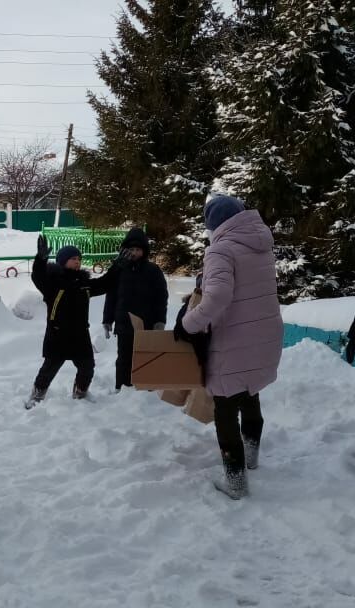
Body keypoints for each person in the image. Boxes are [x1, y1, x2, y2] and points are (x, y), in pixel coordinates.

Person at [179, 195, 283, 499]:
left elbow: (219, 297)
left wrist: (189, 324)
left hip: (235, 337)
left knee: (225, 407)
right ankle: (250, 456)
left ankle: (235, 481)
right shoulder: (261, 245)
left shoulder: (220, 250)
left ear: (214, 224)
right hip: (263, 334)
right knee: (250, 391)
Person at [25, 236, 122, 407]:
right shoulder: (52, 283)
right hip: (58, 334)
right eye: (73, 259)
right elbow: (37, 276)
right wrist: (40, 259)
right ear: (63, 262)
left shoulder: (83, 284)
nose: (77, 262)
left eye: (79, 259)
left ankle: (80, 394)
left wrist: (118, 265)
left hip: (80, 334)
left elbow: (105, 283)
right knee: (49, 368)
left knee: (87, 367)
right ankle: (36, 396)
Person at [102, 227, 168, 390]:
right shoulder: (119, 270)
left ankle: (147, 386)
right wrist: (107, 319)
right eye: (131, 249)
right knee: (124, 358)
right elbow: (111, 296)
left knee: (146, 356)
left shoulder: (153, 270)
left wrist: (160, 321)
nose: (134, 253)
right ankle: (122, 387)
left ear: (144, 251)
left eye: (138, 249)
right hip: (124, 323)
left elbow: (161, 298)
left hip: (147, 323)